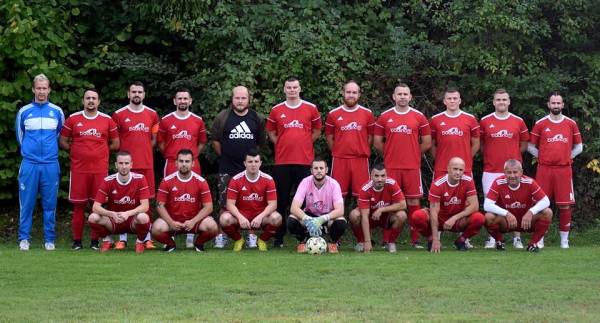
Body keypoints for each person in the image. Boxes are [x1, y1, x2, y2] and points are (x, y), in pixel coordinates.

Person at [59, 89, 119, 250]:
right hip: (79, 170)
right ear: (83, 101)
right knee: (78, 207)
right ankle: (77, 242)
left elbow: (116, 144)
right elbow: (63, 141)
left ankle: (94, 241)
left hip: (99, 171)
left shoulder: (107, 120)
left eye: (94, 98)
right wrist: (77, 152)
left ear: (99, 101)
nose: (91, 101)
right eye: (88, 98)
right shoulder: (73, 119)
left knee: (97, 206)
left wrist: (100, 153)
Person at [374, 83, 431, 248]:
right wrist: (391, 154)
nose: (402, 97)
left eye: (406, 94)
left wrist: (412, 154)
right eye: (399, 94)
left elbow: (427, 143)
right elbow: (378, 143)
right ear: (394, 96)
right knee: (389, 202)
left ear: (410, 97)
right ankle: (387, 240)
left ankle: (416, 240)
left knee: (414, 203)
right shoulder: (384, 117)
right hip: (391, 167)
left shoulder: (419, 117)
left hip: (412, 167)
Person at [266, 77, 322, 247]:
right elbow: (271, 133)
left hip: (304, 162)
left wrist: (304, 144)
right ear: (284, 89)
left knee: (305, 202)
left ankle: (304, 236)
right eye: (289, 87)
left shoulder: (311, 108)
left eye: (295, 87)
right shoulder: (276, 110)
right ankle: (279, 237)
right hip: (282, 162)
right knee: (281, 201)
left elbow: (317, 131)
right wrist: (283, 144)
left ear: (300, 88)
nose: (292, 90)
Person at [211, 86, 266, 249]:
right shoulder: (223, 117)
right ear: (232, 99)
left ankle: (251, 236)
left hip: (250, 171)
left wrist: (250, 163)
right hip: (227, 169)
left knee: (251, 204)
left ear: (248, 99)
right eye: (237, 98)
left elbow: (260, 143)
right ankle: (221, 236)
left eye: (243, 98)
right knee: (223, 204)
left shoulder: (257, 118)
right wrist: (227, 155)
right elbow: (215, 140)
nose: (240, 101)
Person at [15, 74, 65, 251]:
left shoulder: (57, 112)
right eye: (39, 88)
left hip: (50, 164)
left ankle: (49, 239)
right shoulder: (24, 111)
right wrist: (31, 154)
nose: (41, 91)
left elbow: (58, 135)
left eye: (45, 88)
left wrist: (47, 155)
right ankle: (24, 239)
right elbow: (20, 137)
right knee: (26, 203)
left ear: (49, 90)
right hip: (30, 164)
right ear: (33, 89)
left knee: (50, 203)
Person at [528, 91, 583, 248]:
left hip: (564, 170)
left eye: (559, 103)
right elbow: (531, 146)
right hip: (544, 169)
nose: (556, 106)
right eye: (553, 103)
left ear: (563, 105)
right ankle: (540, 239)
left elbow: (579, 147)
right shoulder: (540, 123)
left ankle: (564, 241)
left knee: (565, 205)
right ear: (548, 104)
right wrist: (542, 156)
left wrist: (567, 156)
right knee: (541, 204)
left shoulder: (571, 123)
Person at [112, 81, 160, 250]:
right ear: (128, 94)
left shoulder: (152, 114)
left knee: (146, 203)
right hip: (126, 166)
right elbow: (115, 141)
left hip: (146, 165)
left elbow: (154, 140)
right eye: (133, 92)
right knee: (122, 201)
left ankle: (146, 238)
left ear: (144, 94)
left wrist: (143, 151)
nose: (137, 94)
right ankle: (122, 238)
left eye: (140, 91)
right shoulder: (118, 115)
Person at [479, 89, 530, 249]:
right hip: (491, 170)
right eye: (498, 99)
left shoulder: (518, 121)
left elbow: (523, 145)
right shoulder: (485, 121)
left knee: (516, 203)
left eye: (504, 99)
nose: (501, 102)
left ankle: (517, 238)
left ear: (509, 102)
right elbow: (480, 145)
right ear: (494, 102)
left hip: (512, 171)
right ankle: (493, 238)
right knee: (491, 204)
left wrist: (512, 161)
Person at [158, 88, 208, 248]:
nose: (182, 101)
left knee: (194, 197)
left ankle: (190, 235)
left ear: (190, 101)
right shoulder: (165, 120)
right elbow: (161, 143)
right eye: (179, 99)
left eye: (185, 99)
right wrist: (173, 156)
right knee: (172, 198)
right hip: (172, 163)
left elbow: (201, 143)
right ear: (174, 101)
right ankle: (170, 233)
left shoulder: (197, 120)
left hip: (192, 164)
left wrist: (191, 158)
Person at [411, 157, 485, 252]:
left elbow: (474, 206)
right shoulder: (438, 184)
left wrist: (454, 218)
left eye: (461, 170)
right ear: (448, 169)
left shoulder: (468, 181)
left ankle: (461, 241)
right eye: (455, 169)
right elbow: (434, 212)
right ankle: (431, 240)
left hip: (458, 220)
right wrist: (435, 239)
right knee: (417, 216)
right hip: (440, 219)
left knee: (479, 218)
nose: (458, 172)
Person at [151, 149, 218, 252]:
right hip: (172, 222)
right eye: (181, 161)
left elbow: (209, 207)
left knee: (212, 227)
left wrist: (193, 221)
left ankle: (199, 244)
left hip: (194, 222)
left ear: (193, 164)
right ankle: (171, 245)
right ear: (176, 163)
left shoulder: (201, 182)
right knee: (156, 229)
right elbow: (159, 205)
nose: (184, 164)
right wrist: (171, 222)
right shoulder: (167, 181)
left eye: (187, 161)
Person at [88, 151, 151, 253]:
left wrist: (128, 213)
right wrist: (111, 214)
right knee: (93, 217)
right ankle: (108, 240)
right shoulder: (108, 180)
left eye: (126, 163)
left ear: (131, 165)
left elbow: (145, 206)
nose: (124, 166)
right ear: (116, 165)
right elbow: (95, 207)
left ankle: (140, 242)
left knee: (143, 217)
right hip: (114, 221)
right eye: (121, 163)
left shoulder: (140, 179)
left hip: (132, 220)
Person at [483, 159, 552, 252]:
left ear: (521, 172)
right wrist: (506, 213)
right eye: (509, 172)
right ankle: (499, 242)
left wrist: (531, 212)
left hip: (526, 222)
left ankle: (533, 244)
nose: (512, 176)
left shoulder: (529, 182)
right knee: (488, 217)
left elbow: (546, 201)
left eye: (515, 172)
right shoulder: (498, 182)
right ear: (504, 173)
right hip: (507, 222)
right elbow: (487, 205)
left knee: (548, 212)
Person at [219, 150, 281, 251]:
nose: (253, 165)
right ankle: (239, 239)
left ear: (260, 163)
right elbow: (230, 204)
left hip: (261, 216)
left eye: (256, 162)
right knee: (224, 219)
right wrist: (240, 217)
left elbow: (273, 205)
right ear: (245, 163)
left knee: (277, 218)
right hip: (242, 216)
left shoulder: (268, 179)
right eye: (250, 162)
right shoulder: (235, 180)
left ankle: (262, 240)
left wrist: (260, 217)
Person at [325, 80, 374, 199]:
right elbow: (329, 137)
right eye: (348, 92)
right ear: (343, 93)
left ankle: (362, 218)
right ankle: (338, 218)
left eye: (354, 92)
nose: (351, 95)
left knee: (362, 196)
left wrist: (362, 149)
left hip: (360, 160)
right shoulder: (333, 114)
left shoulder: (367, 114)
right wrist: (339, 150)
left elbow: (371, 137)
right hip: (340, 160)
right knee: (337, 197)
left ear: (359, 94)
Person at [288, 158, 346, 253]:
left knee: (341, 222)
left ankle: (332, 242)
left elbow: (340, 210)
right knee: (292, 219)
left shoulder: (334, 184)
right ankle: (302, 241)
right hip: (310, 215)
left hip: (327, 217)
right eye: (316, 168)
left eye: (321, 168)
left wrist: (322, 219)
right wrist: (307, 219)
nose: (319, 170)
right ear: (311, 170)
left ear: (326, 170)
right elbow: (294, 208)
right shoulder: (305, 182)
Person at [348, 164, 408, 253]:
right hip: (370, 218)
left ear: (386, 175)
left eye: (383, 176)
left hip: (387, 218)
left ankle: (391, 243)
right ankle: (361, 242)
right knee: (354, 215)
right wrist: (367, 241)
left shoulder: (392, 183)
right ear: (371, 176)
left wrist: (381, 209)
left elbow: (403, 205)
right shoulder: (365, 189)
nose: (380, 179)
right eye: (376, 176)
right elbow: (364, 216)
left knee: (402, 215)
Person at [429, 87, 480, 179]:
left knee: (465, 193)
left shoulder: (470, 119)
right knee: (440, 193)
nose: (452, 101)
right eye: (449, 98)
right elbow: (431, 144)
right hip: (442, 168)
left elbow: (476, 144)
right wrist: (439, 158)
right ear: (444, 101)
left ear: (459, 101)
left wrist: (466, 158)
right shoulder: (435, 120)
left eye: (455, 98)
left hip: (464, 168)